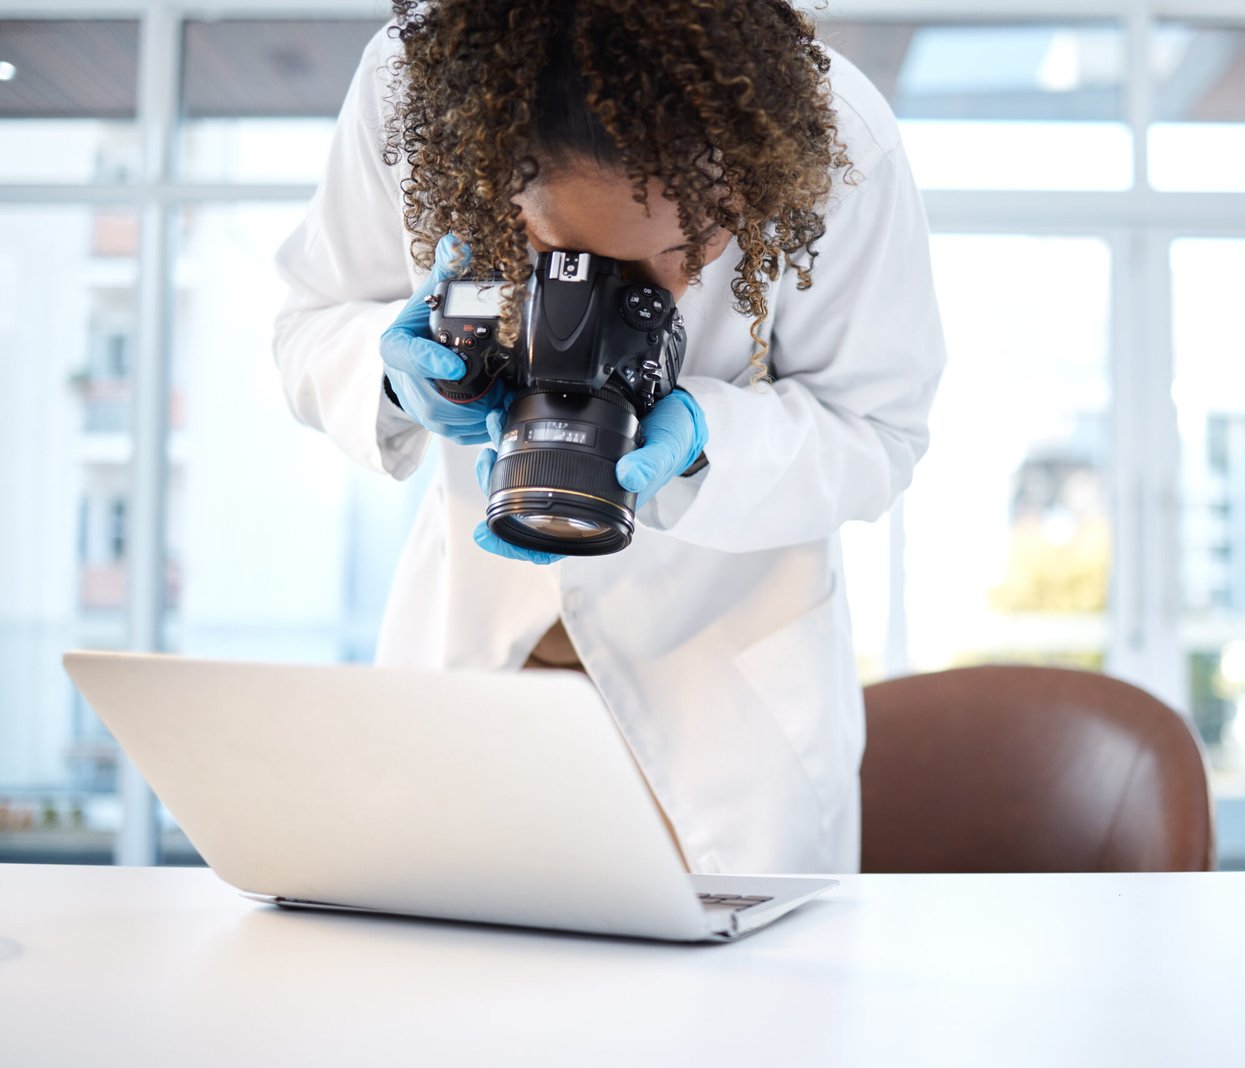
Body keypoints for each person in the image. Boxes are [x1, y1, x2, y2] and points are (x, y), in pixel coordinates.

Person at [273, 0, 945, 874]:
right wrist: (395, 381)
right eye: (573, 259)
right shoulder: (418, 89)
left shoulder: (839, 139)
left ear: (742, 183)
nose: (637, 294)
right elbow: (308, 320)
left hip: (717, 706)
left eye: (685, 251)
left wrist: (711, 443)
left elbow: (881, 428)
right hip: (476, 666)